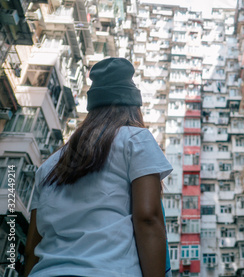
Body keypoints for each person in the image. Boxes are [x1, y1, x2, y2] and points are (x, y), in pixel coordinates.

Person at [24, 58, 173, 277]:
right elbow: (148, 218)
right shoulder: (135, 139)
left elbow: (31, 249)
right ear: (133, 108)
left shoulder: (48, 166)